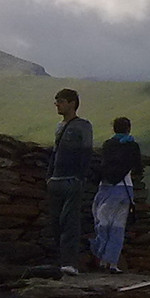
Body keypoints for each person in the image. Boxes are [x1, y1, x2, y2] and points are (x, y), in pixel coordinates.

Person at [47, 88, 93, 276]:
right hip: (56, 180)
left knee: (70, 222)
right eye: (56, 101)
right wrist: (49, 177)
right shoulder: (59, 126)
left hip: (72, 180)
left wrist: (80, 177)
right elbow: (55, 153)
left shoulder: (83, 126)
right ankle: (62, 261)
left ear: (72, 103)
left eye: (61, 101)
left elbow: (87, 152)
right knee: (56, 223)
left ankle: (69, 263)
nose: (57, 104)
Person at [90, 116, 143, 274]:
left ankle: (100, 258)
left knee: (102, 223)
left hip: (107, 187)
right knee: (118, 228)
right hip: (126, 189)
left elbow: (104, 165)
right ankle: (112, 263)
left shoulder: (108, 145)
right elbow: (138, 167)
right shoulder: (133, 146)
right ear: (129, 128)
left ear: (114, 129)